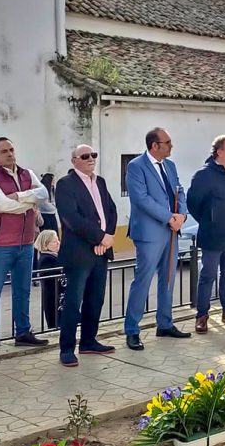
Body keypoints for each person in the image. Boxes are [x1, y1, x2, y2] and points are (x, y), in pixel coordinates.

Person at [0, 138, 48, 357]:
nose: (9, 154)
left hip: (25, 243)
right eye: (3, 151)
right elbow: (0, 205)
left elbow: (44, 194)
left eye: (11, 149)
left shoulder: (27, 173)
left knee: (23, 291)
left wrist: (18, 197)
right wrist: (29, 201)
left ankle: (23, 333)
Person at [124, 128, 190, 351]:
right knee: (142, 281)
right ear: (155, 146)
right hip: (149, 233)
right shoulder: (136, 167)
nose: (171, 146)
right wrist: (169, 217)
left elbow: (179, 191)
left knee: (169, 280)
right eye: (167, 142)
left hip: (171, 230)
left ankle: (165, 323)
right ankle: (132, 330)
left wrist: (182, 214)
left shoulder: (170, 166)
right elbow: (141, 199)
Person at [54, 145, 118, 367]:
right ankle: (67, 348)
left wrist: (107, 237)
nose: (91, 159)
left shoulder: (99, 181)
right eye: (85, 156)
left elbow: (111, 210)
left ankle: (89, 341)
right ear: (74, 161)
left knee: (96, 299)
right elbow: (72, 218)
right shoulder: (65, 184)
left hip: (101, 250)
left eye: (93, 155)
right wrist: (99, 238)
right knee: (73, 302)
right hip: (79, 252)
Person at [187, 135, 225, 334]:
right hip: (213, 234)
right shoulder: (204, 175)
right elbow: (193, 203)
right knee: (207, 275)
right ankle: (202, 315)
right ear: (219, 152)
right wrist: (210, 220)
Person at [34, 229, 66, 330]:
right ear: (45, 244)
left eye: (58, 240)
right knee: (58, 325)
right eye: (54, 241)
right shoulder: (46, 259)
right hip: (54, 301)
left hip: (61, 299)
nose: (58, 243)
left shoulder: (55, 256)